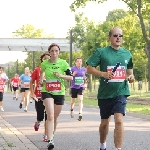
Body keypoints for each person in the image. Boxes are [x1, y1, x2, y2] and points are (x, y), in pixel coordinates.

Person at [86, 27, 134, 150]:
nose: (118, 37)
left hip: (121, 91)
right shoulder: (101, 52)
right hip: (105, 93)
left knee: (119, 120)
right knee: (105, 122)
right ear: (109, 37)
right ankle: (102, 144)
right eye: (115, 35)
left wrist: (131, 76)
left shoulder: (127, 53)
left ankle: (118, 148)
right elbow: (89, 68)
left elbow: (129, 71)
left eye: (120, 36)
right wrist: (103, 74)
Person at [40, 43, 73, 150]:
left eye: (56, 51)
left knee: (55, 117)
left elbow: (71, 77)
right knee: (50, 115)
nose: (54, 53)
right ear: (49, 52)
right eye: (52, 51)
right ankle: (50, 141)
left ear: (59, 52)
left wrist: (61, 75)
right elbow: (41, 73)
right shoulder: (45, 63)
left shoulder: (63, 63)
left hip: (59, 92)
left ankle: (51, 135)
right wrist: (41, 80)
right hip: (47, 91)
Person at [30, 52, 50, 142]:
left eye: (48, 59)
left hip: (49, 95)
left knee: (48, 116)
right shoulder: (37, 69)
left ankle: (46, 135)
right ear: (42, 60)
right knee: (41, 116)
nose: (46, 60)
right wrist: (32, 93)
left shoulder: (52, 69)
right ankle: (38, 122)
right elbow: (31, 81)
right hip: (38, 95)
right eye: (44, 59)